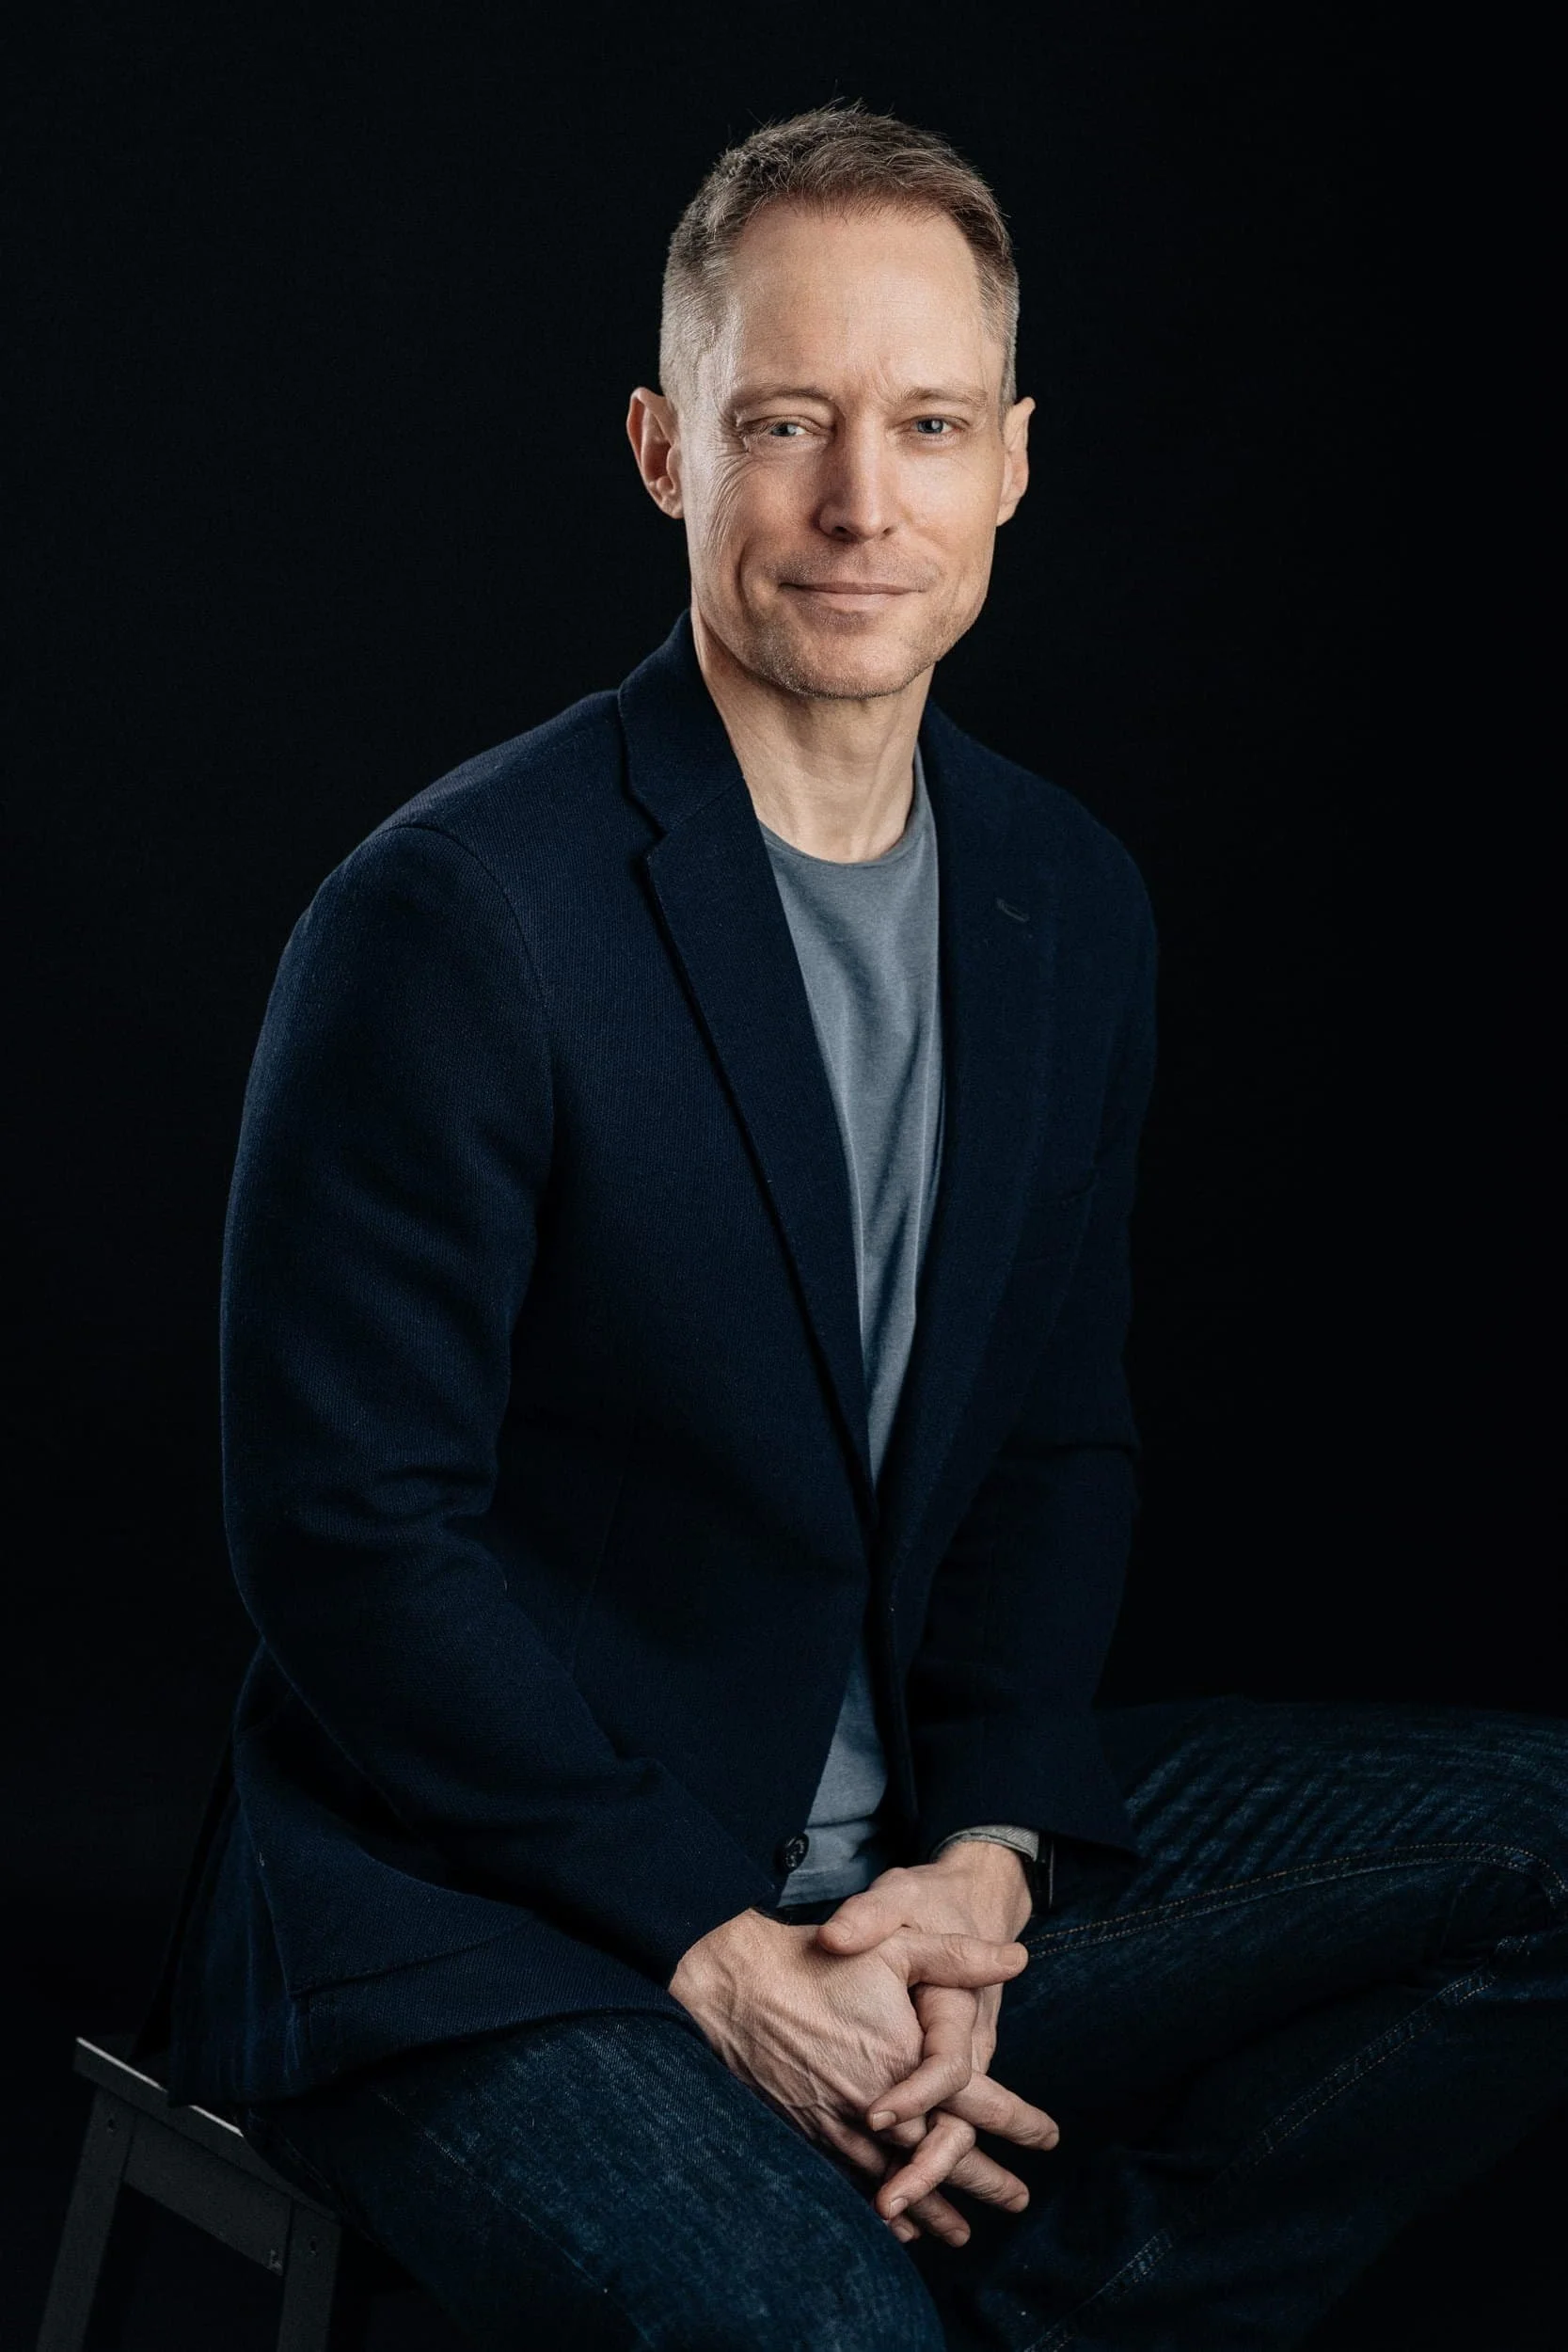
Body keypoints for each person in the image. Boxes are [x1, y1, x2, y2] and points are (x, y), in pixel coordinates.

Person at [157, 105, 1566, 2349]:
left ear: (1011, 461)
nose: (855, 504)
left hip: (904, 1855)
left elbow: (1050, 1450)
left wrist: (983, 1866)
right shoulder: (458, 916)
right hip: (497, 1912)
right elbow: (347, 1534)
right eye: (783, 424)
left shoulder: (1061, 895)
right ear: (660, 450)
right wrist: (725, 1946)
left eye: (921, 426)